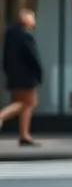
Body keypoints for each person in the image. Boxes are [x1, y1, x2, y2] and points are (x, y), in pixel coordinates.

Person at [1, 9, 43, 146]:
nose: (34, 20)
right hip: (26, 76)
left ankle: (24, 135)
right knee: (27, 103)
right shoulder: (25, 36)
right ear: (25, 19)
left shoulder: (10, 35)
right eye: (32, 17)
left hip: (14, 75)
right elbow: (32, 57)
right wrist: (38, 72)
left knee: (25, 104)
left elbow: (5, 58)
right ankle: (2, 117)